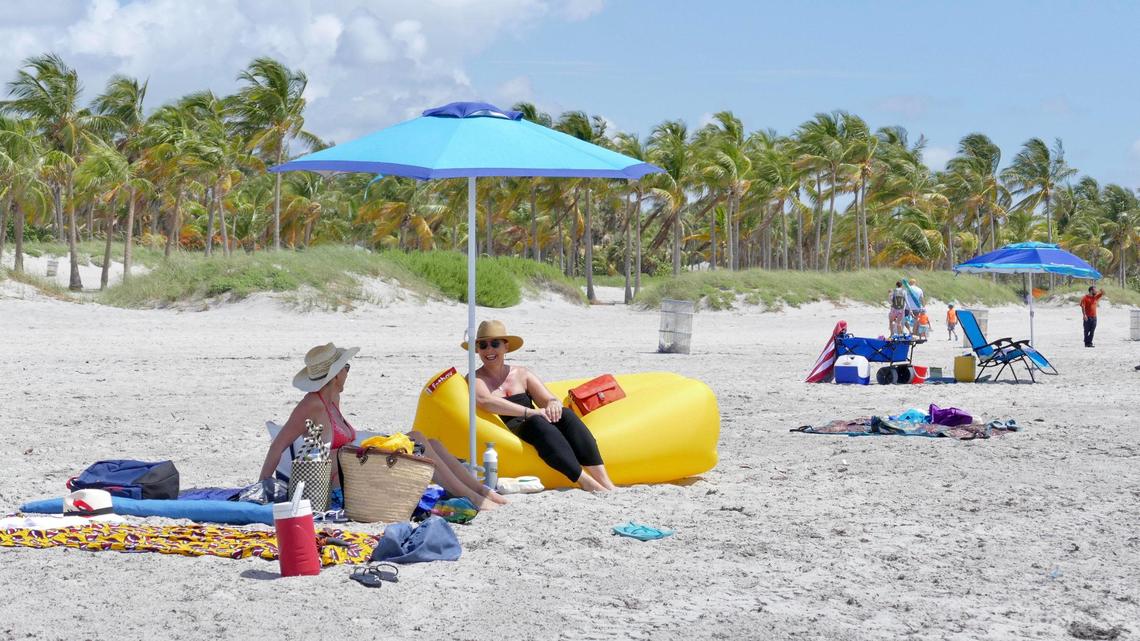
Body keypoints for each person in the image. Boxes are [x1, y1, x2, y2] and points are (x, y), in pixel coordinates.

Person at [261, 342, 507, 510]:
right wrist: (262, 486)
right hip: (342, 484)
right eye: (346, 368)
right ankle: (471, 496)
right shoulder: (311, 405)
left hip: (355, 469)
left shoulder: (333, 399)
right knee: (417, 440)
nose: (348, 372)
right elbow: (279, 445)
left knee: (430, 443)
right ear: (335, 375)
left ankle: (479, 490)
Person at [468, 320, 616, 492]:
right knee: (537, 422)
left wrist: (553, 404)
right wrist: (529, 412)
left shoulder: (521, 373)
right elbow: (485, 401)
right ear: (477, 349)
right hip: (511, 428)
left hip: (535, 419)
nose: (489, 350)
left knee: (565, 414)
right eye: (483, 345)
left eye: (495, 344)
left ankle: (605, 482)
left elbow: (548, 399)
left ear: (506, 347)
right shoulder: (475, 378)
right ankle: (585, 481)